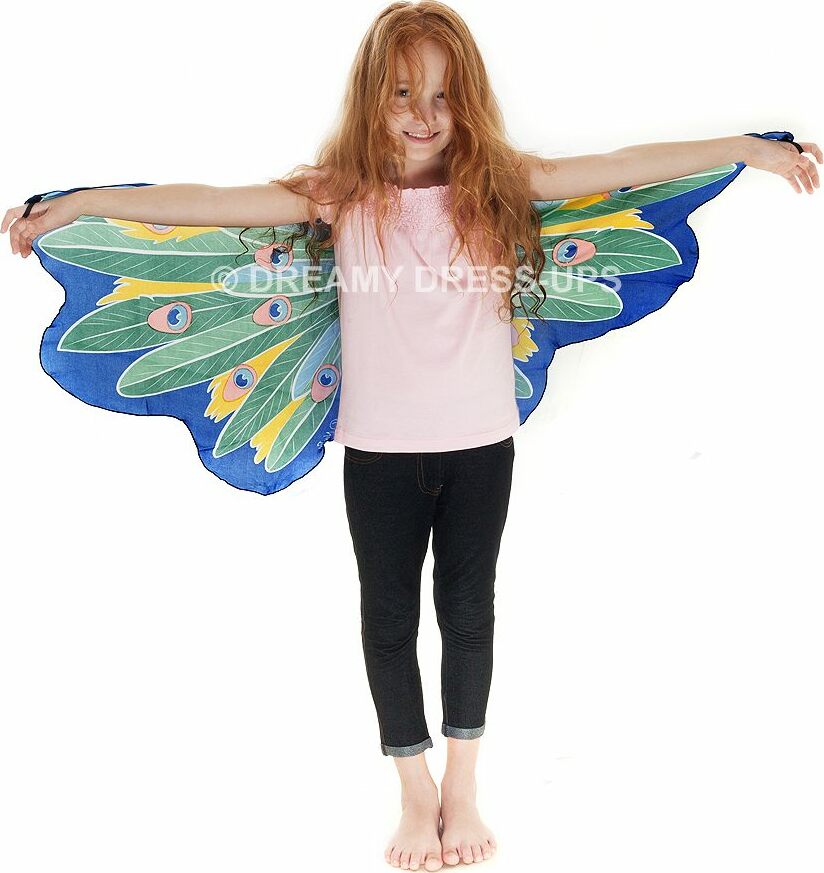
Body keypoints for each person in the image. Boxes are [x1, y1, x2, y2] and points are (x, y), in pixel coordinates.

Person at [3, 2, 820, 870]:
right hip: (380, 451)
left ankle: (463, 785)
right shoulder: (339, 193)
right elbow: (200, 205)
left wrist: (748, 149)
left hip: (481, 443)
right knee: (388, 616)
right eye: (402, 94)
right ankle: (413, 790)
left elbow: (622, 166)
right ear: (372, 97)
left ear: (468, 99)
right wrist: (72, 205)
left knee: (468, 610)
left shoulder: (501, 184)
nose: (423, 115)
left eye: (441, 94)